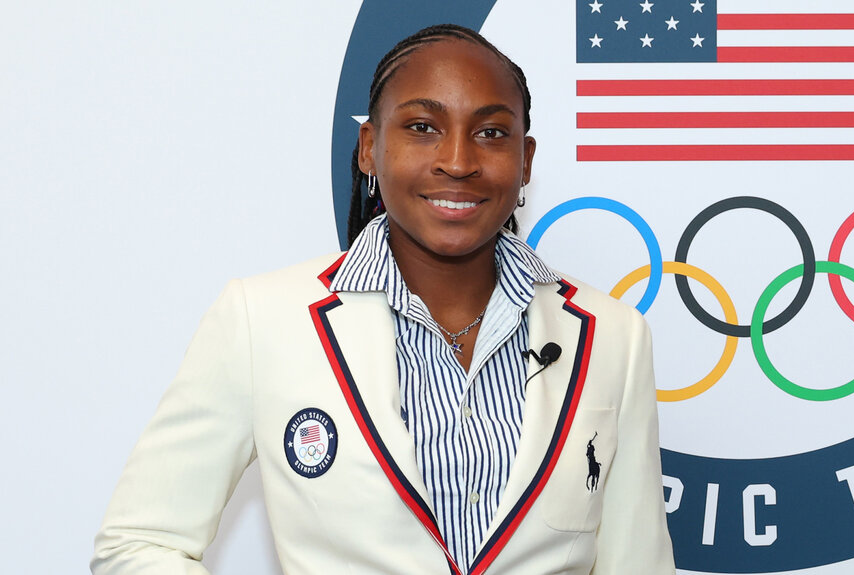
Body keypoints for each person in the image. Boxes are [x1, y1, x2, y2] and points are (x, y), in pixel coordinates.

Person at [92, 24, 675, 575]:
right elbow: (139, 542)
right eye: (423, 127)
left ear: (526, 161)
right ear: (369, 148)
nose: (458, 160)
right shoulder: (262, 321)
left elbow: (637, 563)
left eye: (491, 132)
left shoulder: (613, 336)